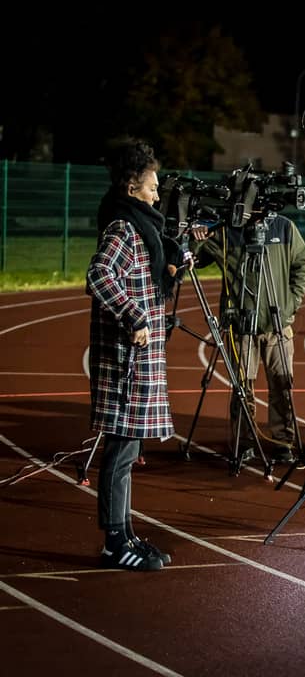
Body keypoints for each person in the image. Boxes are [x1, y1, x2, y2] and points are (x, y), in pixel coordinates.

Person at [87, 138, 185, 571]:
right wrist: (134, 316)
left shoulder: (140, 227)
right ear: (132, 188)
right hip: (125, 360)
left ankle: (125, 534)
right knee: (120, 450)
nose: (157, 195)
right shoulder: (123, 229)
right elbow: (99, 274)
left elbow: (142, 276)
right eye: (152, 187)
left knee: (127, 452)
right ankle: (114, 544)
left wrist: (175, 260)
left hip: (138, 359)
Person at [195, 213, 305, 464]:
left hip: (278, 325)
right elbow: (194, 260)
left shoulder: (284, 227)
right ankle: (245, 441)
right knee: (242, 388)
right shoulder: (226, 229)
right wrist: (198, 237)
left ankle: (283, 442)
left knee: (282, 386)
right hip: (241, 325)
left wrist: (290, 304)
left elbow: (302, 264)